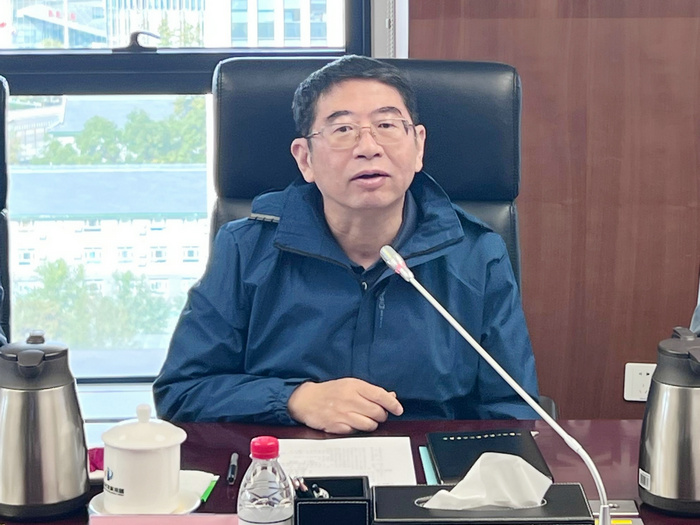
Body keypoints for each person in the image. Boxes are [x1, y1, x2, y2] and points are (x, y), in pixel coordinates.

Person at [154, 55, 539, 434]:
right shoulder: (246, 249)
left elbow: (513, 410)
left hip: (429, 466)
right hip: (282, 463)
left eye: (386, 125)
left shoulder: (477, 254)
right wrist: (293, 399)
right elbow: (181, 392)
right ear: (305, 159)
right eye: (343, 130)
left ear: (418, 146)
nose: (368, 147)